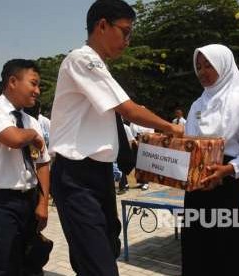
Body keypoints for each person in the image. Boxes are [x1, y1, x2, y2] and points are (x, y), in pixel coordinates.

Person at [49, 1, 183, 275]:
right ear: (101, 26)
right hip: (76, 176)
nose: (128, 41)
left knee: (105, 250)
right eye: (124, 32)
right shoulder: (81, 59)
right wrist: (172, 128)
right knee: (99, 263)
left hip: (99, 175)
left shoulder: (98, 65)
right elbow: (129, 109)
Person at [182, 44, 239, 276]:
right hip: (197, 187)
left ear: (224, 65)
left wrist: (226, 170)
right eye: (198, 66)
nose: (202, 72)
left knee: (228, 248)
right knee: (196, 248)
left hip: (226, 186)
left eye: (209, 65)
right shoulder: (197, 104)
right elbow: (189, 144)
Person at [0, 59, 50, 276]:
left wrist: (43, 203)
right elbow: (14, 138)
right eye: (33, 84)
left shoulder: (30, 120)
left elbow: (42, 163)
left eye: (38, 86)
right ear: (13, 81)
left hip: (28, 199)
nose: (37, 91)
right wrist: (32, 135)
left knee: (31, 263)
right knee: (2, 266)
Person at [117, 123, 135, 195]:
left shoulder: (126, 127)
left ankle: (122, 187)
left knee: (121, 168)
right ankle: (125, 185)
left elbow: (130, 139)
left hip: (123, 150)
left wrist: (129, 151)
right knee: (120, 168)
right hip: (115, 150)